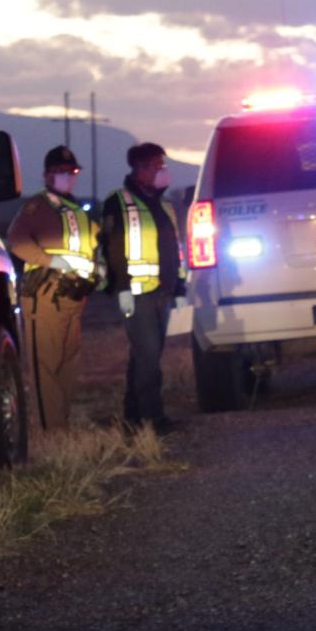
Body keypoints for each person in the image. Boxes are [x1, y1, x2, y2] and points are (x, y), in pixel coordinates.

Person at [3, 145, 99, 431]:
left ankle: (62, 426)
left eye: (71, 172)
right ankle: (51, 435)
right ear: (47, 175)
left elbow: (90, 250)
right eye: (60, 172)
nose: (67, 177)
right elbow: (17, 242)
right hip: (45, 296)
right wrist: (51, 261)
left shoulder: (77, 212)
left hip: (73, 297)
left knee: (68, 365)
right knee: (46, 368)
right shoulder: (37, 207)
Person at [97, 141, 184, 436]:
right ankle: (151, 420)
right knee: (148, 355)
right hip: (134, 292)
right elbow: (112, 248)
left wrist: (179, 285)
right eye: (159, 166)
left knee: (146, 354)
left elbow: (174, 248)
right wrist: (120, 289)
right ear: (142, 169)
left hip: (163, 291)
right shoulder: (118, 202)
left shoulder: (164, 204)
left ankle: (132, 417)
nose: (164, 171)